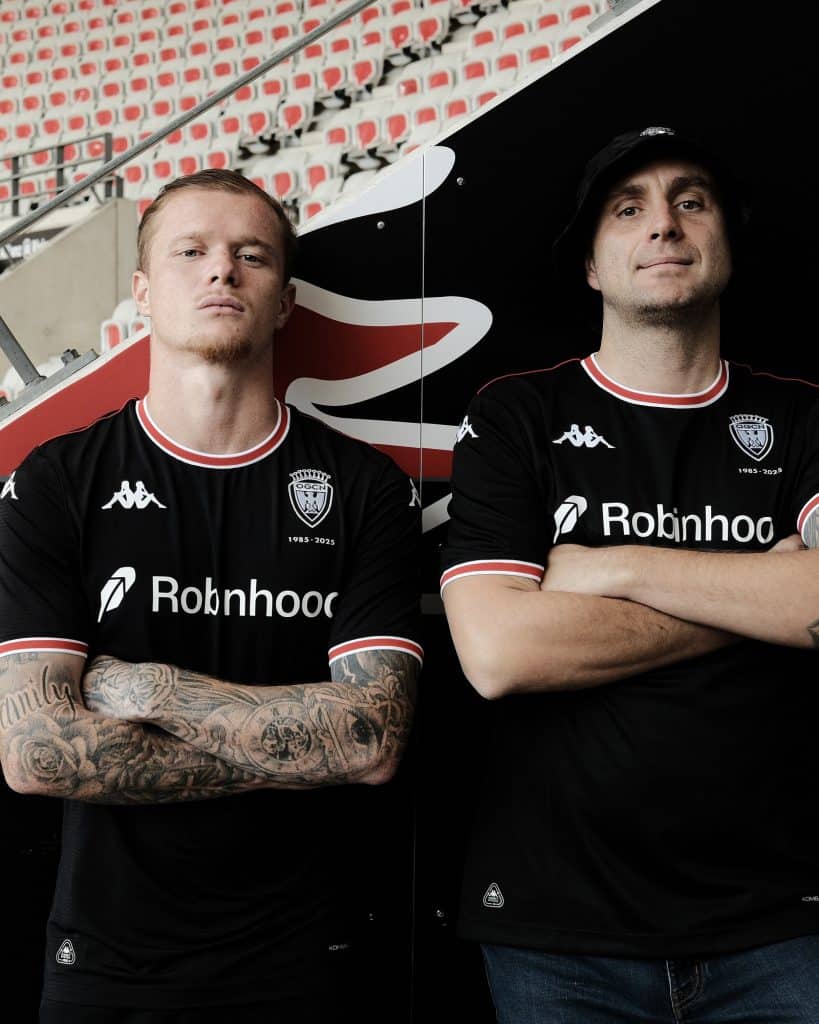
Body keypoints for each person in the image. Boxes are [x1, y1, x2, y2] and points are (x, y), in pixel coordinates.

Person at [0, 169, 422, 1023]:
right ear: (144, 293)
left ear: (285, 300)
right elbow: (37, 752)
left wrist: (153, 690)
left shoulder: (363, 489)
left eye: (250, 255)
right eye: (191, 252)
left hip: (308, 955)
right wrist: (295, 746)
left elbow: (372, 741)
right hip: (109, 963)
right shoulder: (57, 482)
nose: (221, 271)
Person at [440, 126, 819, 1022]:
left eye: (690, 201)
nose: (663, 225)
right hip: (559, 933)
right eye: (628, 208)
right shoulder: (517, 415)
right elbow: (500, 654)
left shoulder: (801, 418)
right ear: (590, 265)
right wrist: (762, 590)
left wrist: (609, 567)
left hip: (780, 922)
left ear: (723, 240)